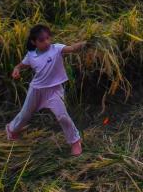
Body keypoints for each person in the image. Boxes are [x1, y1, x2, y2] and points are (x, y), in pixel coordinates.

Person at [5, 24, 89, 156]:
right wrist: (16, 70)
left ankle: (75, 141)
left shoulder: (56, 49)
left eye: (48, 38)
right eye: (42, 40)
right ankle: (12, 129)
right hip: (36, 90)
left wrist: (87, 43)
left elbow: (72, 48)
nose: (46, 42)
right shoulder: (31, 55)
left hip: (54, 90)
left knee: (62, 116)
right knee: (25, 115)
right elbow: (21, 65)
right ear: (34, 42)